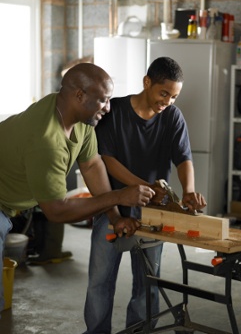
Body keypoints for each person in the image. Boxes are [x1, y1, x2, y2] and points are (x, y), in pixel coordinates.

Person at [0, 63, 155, 313]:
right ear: (79, 96)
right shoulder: (47, 141)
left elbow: (92, 166)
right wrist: (120, 196)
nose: (108, 108)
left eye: (110, 100)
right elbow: (57, 211)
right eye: (103, 101)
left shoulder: (80, 119)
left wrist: (115, 217)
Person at [83, 57, 207, 333]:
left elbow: (183, 158)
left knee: (148, 284)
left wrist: (188, 192)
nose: (168, 101)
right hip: (112, 208)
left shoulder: (172, 117)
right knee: (100, 281)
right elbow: (107, 160)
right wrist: (143, 187)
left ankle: (140, 331)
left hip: (152, 215)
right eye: (164, 93)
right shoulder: (114, 111)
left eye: (174, 96)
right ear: (147, 82)